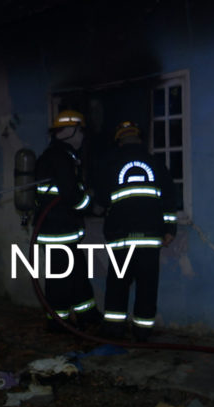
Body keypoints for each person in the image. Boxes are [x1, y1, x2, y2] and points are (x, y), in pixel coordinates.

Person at [95, 120, 177, 342]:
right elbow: (169, 200)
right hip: (150, 238)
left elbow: (100, 201)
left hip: (121, 238)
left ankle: (114, 331)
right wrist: (169, 229)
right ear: (139, 139)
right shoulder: (155, 162)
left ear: (119, 140)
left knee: (117, 285)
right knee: (147, 286)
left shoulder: (109, 164)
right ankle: (142, 331)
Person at [34, 109, 101, 332]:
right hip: (56, 231)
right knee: (60, 280)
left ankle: (87, 314)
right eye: (79, 130)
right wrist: (89, 205)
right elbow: (71, 194)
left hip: (63, 230)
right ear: (70, 130)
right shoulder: (59, 157)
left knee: (78, 273)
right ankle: (58, 322)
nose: (82, 136)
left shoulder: (62, 155)